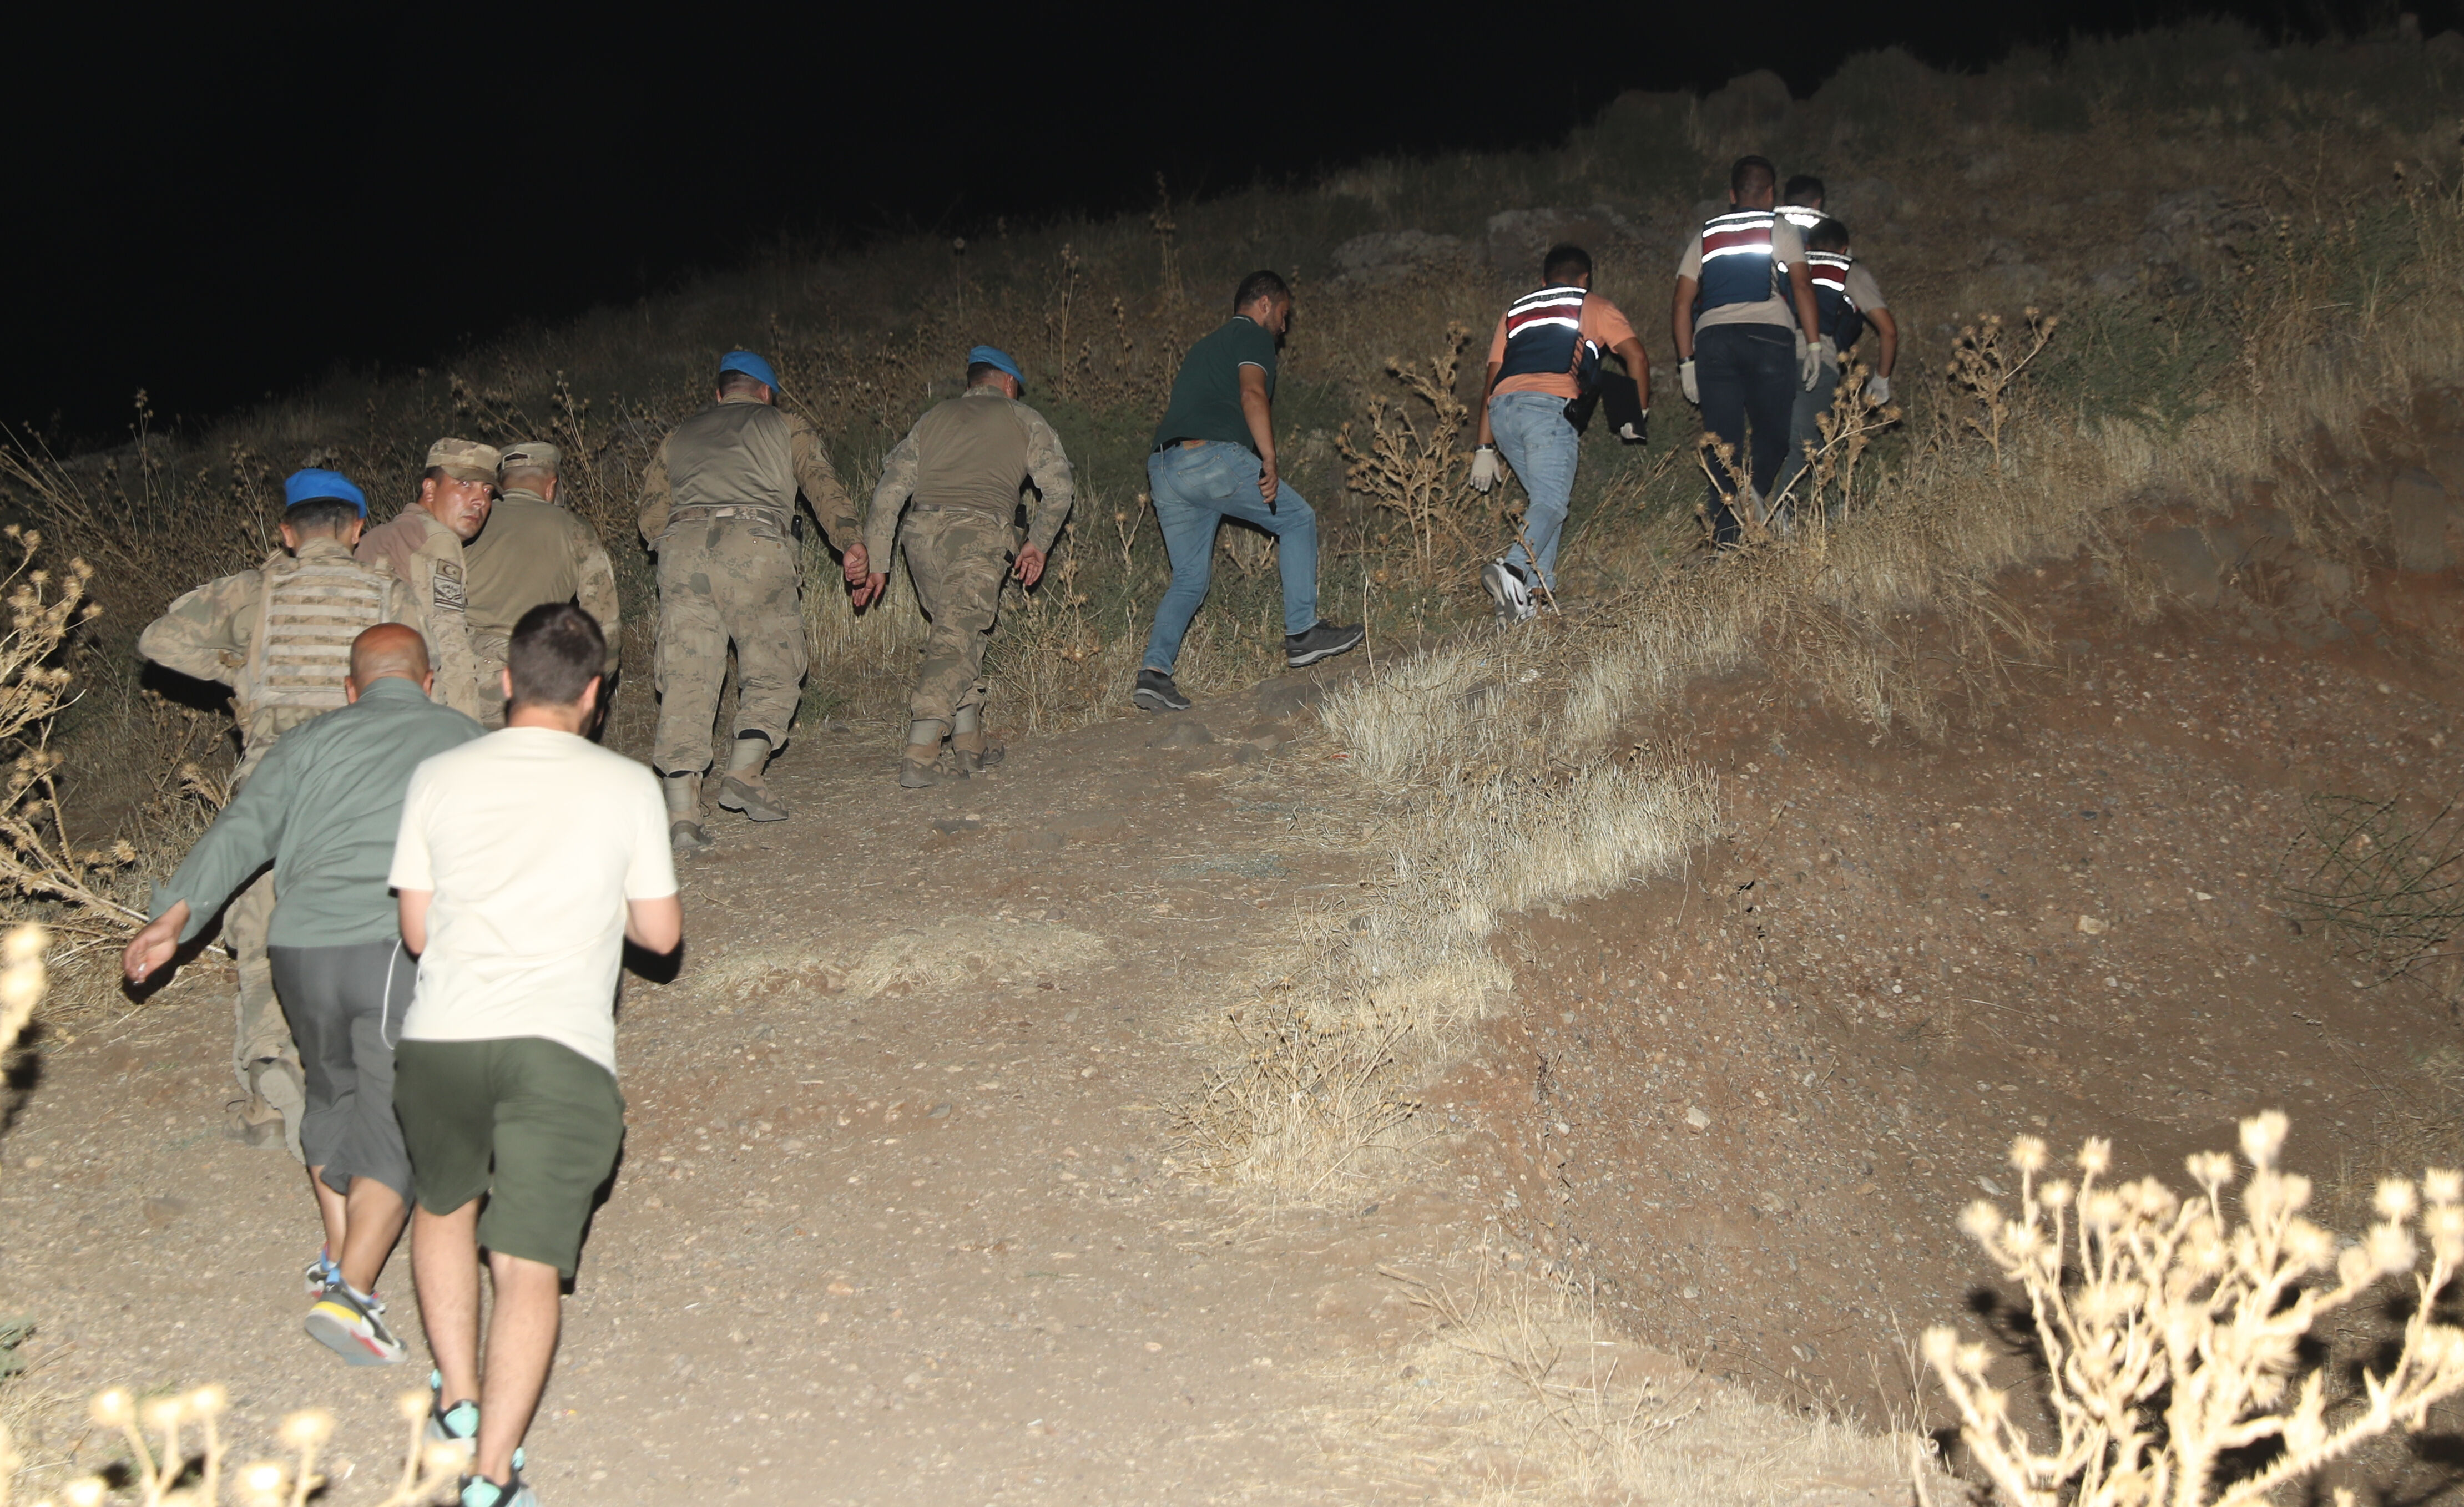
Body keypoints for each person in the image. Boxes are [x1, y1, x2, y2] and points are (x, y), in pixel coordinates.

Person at [123, 625, 483, 1367]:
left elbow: (242, 830)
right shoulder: (465, 738)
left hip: (299, 948)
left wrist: (174, 918)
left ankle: (340, 1254)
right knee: (397, 1121)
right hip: (392, 943)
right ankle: (350, 1294)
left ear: (351, 690)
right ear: (430, 679)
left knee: (332, 1099)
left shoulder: (308, 742)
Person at [389, 603, 681, 1507]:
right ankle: (491, 1476)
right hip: (559, 1045)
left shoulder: (437, 775)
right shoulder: (628, 784)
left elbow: (418, 931)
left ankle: (460, 1402)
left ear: (506, 681)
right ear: (595, 695)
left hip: (442, 1039)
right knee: (525, 1261)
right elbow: (661, 938)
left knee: (444, 1207)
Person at [138, 468, 427, 1157]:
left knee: (260, 923)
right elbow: (426, 673)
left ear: (287, 532)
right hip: (360, 779)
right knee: (366, 916)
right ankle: (373, 1064)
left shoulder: (253, 590)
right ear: (359, 530)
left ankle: (270, 1078)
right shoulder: (388, 593)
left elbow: (158, 641)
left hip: (275, 775)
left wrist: (241, 666)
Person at [637, 350, 858, 851]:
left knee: (687, 675)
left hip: (684, 548)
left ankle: (681, 814)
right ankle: (745, 771)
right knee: (774, 659)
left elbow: (650, 518)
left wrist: (678, 546)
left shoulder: (679, 436)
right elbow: (822, 486)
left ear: (719, 394)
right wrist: (851, 542)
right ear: (766, 393)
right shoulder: (784, 424)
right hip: (756, 544)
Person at [845, 346, 1075, 787]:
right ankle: (921, 747)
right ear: (1008, 383)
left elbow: (889, 491)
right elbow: (1060, 490)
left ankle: (969, 745)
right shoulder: (1024, 418)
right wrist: (1038, 543)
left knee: (958, 632)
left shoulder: (932, 419)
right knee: (955, 639)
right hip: (979, 533)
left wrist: (879, 562)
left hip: (921, 537)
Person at [1134, 271, 1363, 712]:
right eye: (1282, 313)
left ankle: (1154, 674)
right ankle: (1303, 632)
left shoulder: (1205, 346)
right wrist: (1269, 459)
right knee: (1297, 519)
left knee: (1189, 579)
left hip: (1164, 468)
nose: (1283, 325)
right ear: (1263, 305)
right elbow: (1252, 394)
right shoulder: (1252, 337)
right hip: (1211, 458)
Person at [1466, 243, 1650, 621]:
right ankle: (1513, 569)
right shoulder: (1593, 305)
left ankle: (1534, 596)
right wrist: (1637, 411)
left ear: (1543, 280)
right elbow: (1636, 356)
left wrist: (1483, 446)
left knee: (1545, 503)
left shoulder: (1515, 311)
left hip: (1503, 412)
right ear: (1585, 278)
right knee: (1551, 503)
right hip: (1548, 411)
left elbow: (1491, 377)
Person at [1672, 155, 1825, 547]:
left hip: (1713, 343)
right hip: (1769, 341)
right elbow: (1804, 289)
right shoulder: (1781, 228)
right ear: (1772, 194)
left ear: (1732, 194)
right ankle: (1754, 495)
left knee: (1725, 441)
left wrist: (1686, 361)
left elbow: (1681, 301)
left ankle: (1726, 541)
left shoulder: (1705, 234)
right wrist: (1813, 344)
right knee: (1773, 435)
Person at [461, 442, 620, 729]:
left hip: (455, 663)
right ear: (552, 487)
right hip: (525, 669)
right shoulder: (573, 528)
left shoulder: (469, 521)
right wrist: (598, 685)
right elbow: (604, 619)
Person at [357, 439, 498, 720]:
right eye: (465, 484)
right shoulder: (437, 539)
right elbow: (450, 646)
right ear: (430, 489)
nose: (480, 500)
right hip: (413, 709)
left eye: (488, 490)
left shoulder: (370, 539)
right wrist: (465, 730)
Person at [1774, 216, 1900, 507]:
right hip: (1815, 361)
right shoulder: (1847, 270)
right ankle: (1779, 511)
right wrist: (1880, 381)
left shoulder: (1787, 266)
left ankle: (1759, 506)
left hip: (1768, 358)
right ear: (1845, 248)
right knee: (1808, 444)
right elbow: (1888, 331)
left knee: (1773, 441)